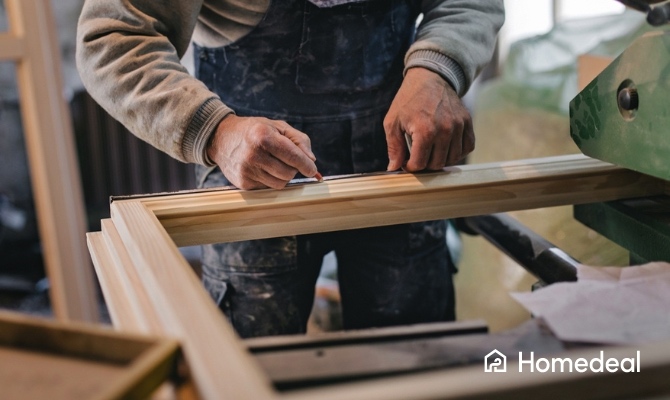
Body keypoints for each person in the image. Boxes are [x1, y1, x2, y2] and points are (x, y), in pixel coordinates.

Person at [77, 0, 505, 338]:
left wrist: (437, 71)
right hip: (253, 170)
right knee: (253, 367)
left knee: (419, 360)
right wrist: (217, 133)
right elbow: (113, 38)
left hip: (400, 161)